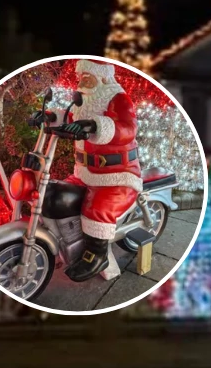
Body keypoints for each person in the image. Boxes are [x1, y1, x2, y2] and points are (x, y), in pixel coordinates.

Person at [42, 59, 142, 282]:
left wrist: (96, 125)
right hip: (85, 173)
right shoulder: (85, 99)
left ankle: (96, 256)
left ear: (103, 76)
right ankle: (66, 239)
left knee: (98, 207)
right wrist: (50, 117)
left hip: (117, 176)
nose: (82, 79)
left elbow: (128, 128)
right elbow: (71, 118)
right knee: (59, 193)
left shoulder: (118, 98)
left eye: (88, 75)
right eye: (81, 75)